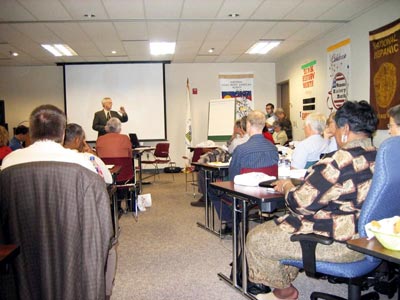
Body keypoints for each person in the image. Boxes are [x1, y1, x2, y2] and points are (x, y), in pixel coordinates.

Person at [246, 100, 378, 300]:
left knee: (257, 238)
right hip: (370, 239)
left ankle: (285, 292)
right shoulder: (379, 155)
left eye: (335, 128)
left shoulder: (338, 161)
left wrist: (288, 186)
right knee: (278, 232)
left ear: (346, 129)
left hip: (339, 243)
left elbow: (300, 205)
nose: (332, 133)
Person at [1, 104, 116, 299]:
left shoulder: (8, 164)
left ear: (32, 132)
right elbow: (103, 231)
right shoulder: (84, 166)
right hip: (73, 271)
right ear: (63, 134)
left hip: (22, 270)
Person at [208, 110, 279, 229]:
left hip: (245, 194)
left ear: (248, 125)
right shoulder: (273, 148)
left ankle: (231, 223)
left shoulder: (241, 149)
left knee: (211, 187)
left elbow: (233, 177)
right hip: (268, 193)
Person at [191, 116, 248, 207]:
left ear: (240, 128)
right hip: (244, 172)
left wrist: (233, 137)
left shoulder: (237, 141)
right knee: (207, 162)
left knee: (203, 172)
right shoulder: (254, 141)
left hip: (231, 171)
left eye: (235, 127)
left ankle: (206, 198)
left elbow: (228, 151)